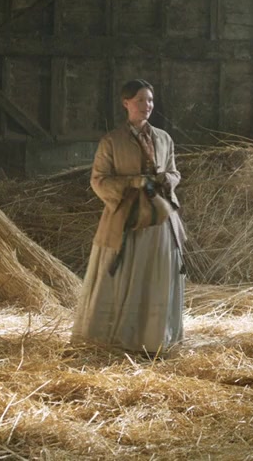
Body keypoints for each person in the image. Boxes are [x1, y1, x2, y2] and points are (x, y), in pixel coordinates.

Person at [72, 79, 186, 357]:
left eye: (150, 100)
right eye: (140, 100)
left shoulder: (164, 138)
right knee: (122, 272)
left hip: (159, 218)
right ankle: (114, 338)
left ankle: (153, 339)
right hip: (126, 220)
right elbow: (99, 180)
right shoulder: (112, 141)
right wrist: (133, 183)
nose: (147, 106)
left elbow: (175, 171)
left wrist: (166, 180)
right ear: (126, 103)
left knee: (157, 273)